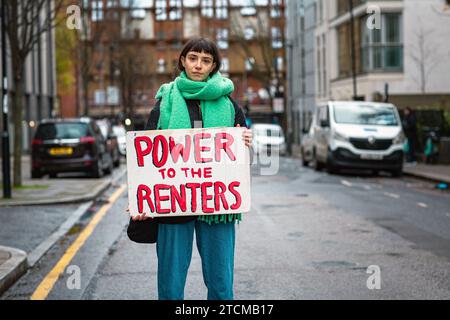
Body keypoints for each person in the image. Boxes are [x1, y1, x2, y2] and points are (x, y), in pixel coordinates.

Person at [130, 38, 252, 300]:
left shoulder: (229, 104)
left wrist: (246, 143)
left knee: (221, 283)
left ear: (214, 66)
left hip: (216, 204)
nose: (198, 65)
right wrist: (140, 200)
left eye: (206, 60)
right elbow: (147, 156)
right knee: (170, 284)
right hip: (173, 203)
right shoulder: (164, 103)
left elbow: (240, 156)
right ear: (183, 61)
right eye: (193, 58)